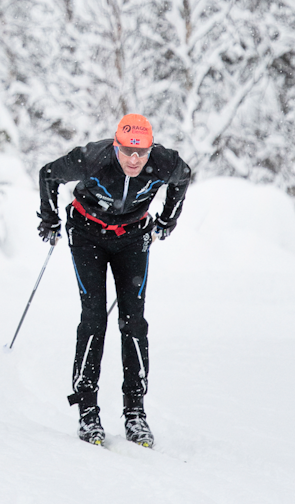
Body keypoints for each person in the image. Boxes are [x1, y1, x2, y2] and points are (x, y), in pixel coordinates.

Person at [36, 113, 191, 447]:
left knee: (133, 322)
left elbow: (184, 178)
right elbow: (48, 174)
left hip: (133, 237)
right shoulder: (93, 159)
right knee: (94, 318)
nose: (134, 160)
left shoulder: (164, 163)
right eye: (126, 152)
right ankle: (87, 410)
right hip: (87, 233)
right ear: (116, 145)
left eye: (141, 153)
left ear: (151, 149)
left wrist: (168, 219)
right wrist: (49, 219)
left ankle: (135, 412)